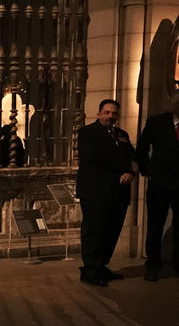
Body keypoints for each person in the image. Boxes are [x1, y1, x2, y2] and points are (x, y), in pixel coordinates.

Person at [76, 99, 137, 286]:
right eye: (107, 112)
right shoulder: (87, 133)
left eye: (114, 113)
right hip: (96, 192)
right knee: (94, 231)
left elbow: (132, 155)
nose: (110, 116)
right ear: (99, 113)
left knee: (111, 231)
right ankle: (90, 270)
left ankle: (102, 265)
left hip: (118, 192)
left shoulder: (122, 134)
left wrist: (131, 171)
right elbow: (97, 156)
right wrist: (125, 167)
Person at [135, 90, 179, 281]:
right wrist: (149, 171)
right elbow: (141, 149)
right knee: (155, 226)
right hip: (160, 182)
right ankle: (153, 265)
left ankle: (177, 264)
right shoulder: (156, 122)